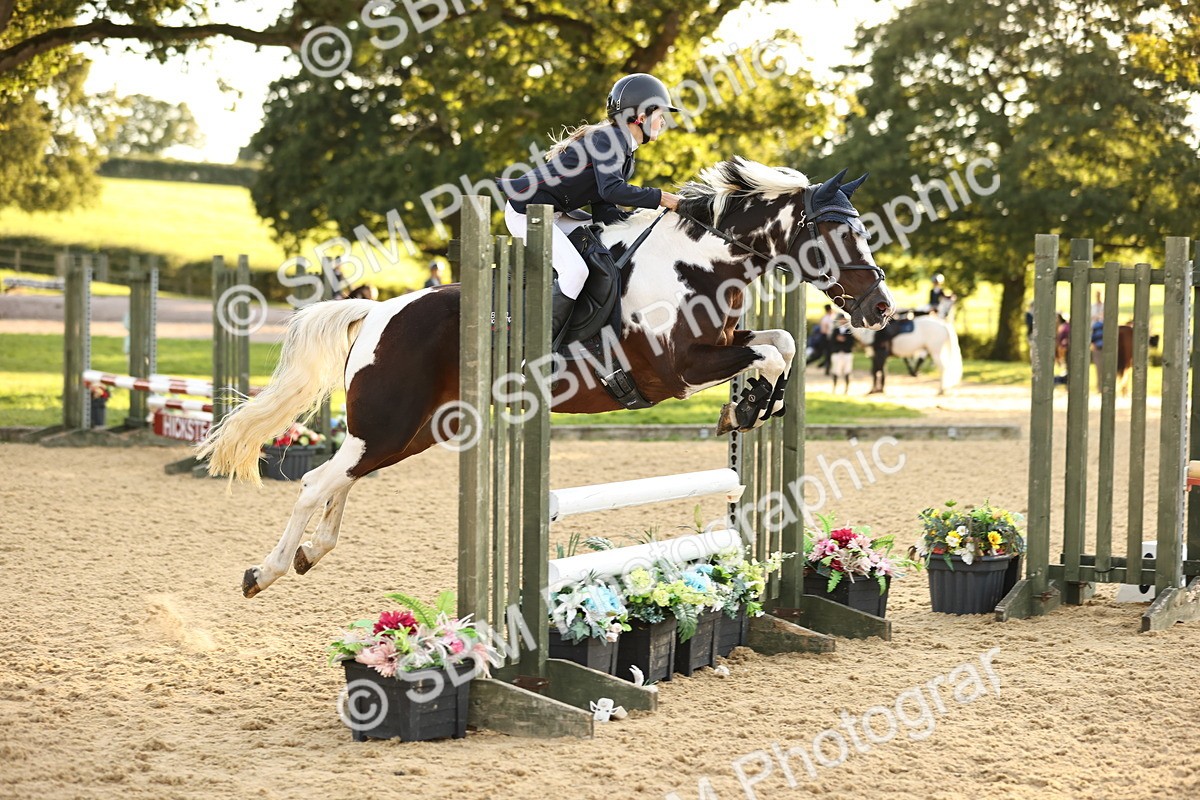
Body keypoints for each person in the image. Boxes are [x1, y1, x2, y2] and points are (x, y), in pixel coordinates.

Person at [498, 73, 680, 346]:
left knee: (605, 243)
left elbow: (605, 212)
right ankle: (536, 346)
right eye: (660, 114)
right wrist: (662, 198)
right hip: (527, 212)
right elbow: (611, 190)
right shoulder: (609, 139)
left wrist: (647, 220)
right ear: (641, 116)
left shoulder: (624, 151)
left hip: (555, 213)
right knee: (575, 272)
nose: (663, 121)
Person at [828, 314, 855, 394]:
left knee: (847, 370)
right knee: (836, 370)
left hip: (846, 353)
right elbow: (831, 342)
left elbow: (852, 342)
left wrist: (844, 340)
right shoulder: (835, 331)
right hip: (837, 352)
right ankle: (834, 387)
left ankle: (846, 388)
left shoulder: (849, 331)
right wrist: (838, 340)